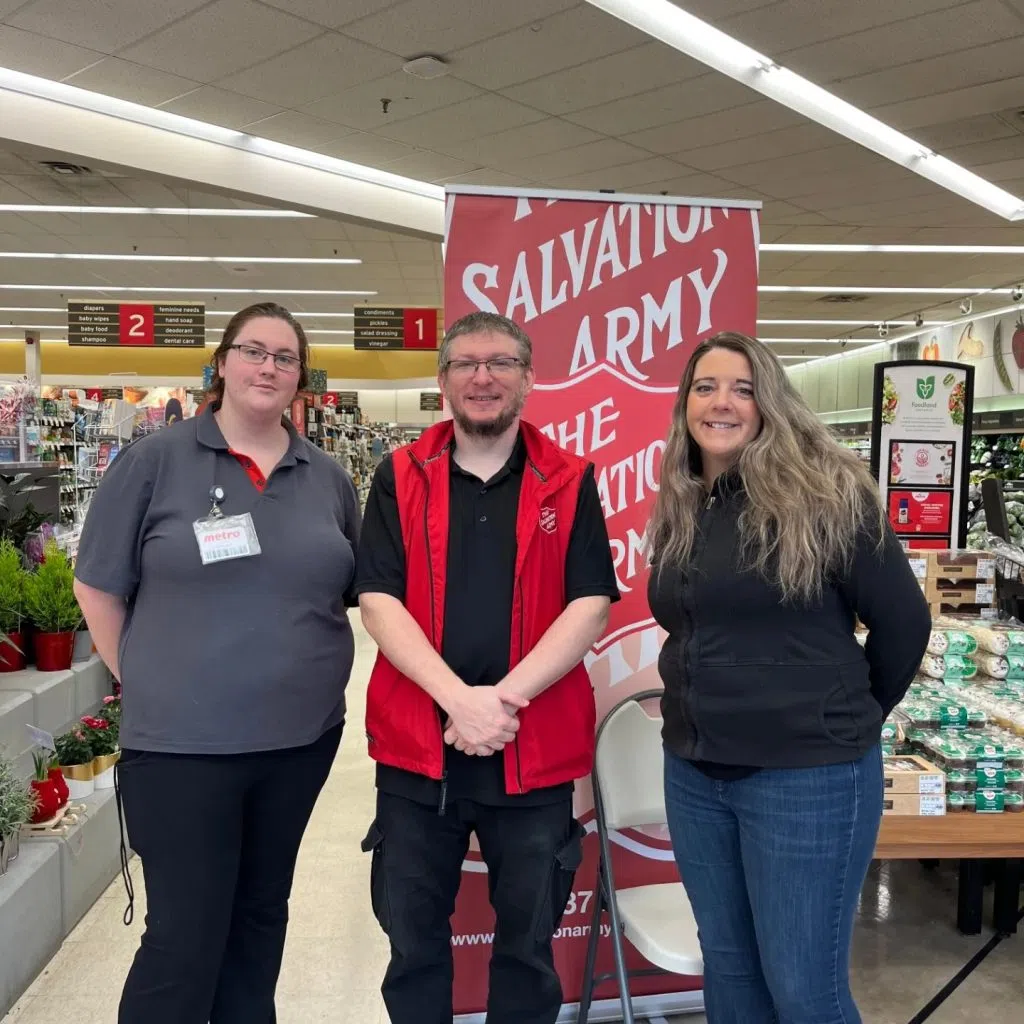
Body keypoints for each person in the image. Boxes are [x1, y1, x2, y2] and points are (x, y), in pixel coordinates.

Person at [73, 302, 361, 1024]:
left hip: (300, 743)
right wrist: (150, 677)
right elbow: (97, 587)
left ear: (302, 377)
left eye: (285, 358)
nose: (269, 368)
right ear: (223, 363)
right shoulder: (156, 461)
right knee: (185, 936)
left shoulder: (324, 476)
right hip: (181, 750)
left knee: (261, 919)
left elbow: (351, 589)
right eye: (254, 351)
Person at [646, 332, 931, 1024]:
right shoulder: (686, 500)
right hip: (696, 773)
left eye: (742, 389)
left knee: (805, 990)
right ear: (685, 402)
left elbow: (905, 624)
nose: (721, 403)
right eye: (705, 386)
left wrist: (850, 714)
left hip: (807, 779)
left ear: (771, 403)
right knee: (732, 969)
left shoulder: (829, 496)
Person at [354, 310, 620, 1024]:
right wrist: (457, 703)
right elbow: (377, 601)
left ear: (528, 380)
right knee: (412, 946)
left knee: (529, 951)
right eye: (466, 364)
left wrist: (500, 702)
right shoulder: (398, 475)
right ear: (443, 381)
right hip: (418, 749)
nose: (482, 377)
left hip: (530, 749)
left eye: (500, 363)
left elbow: (591, 603)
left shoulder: (570, 480)